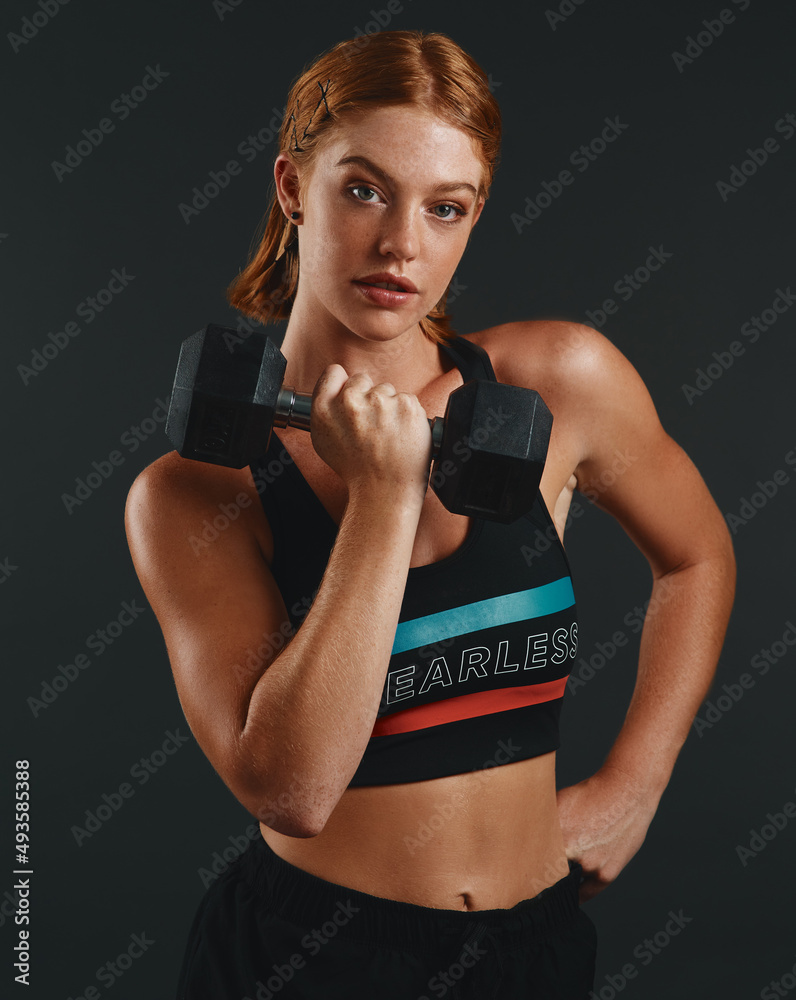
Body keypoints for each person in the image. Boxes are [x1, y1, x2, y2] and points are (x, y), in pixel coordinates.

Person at [125, 29, 735, 1000]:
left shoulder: (558, 383)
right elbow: (293, 788)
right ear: (292, 188)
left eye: (444, 208)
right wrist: (381, 498)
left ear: (473, 214)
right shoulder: (194, 493)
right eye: (363, 189)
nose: (402, 242)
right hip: (315, 959)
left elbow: (697, 556)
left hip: (533, 951)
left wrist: (637, 780)